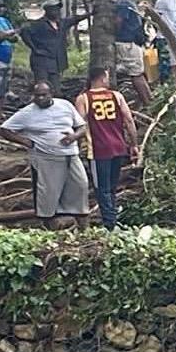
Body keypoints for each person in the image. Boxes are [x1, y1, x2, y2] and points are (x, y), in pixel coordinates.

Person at [0, 81, 90, 228]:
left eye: (44, 95)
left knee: (81, 185)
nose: (40, 98)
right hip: (46, 157)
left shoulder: (65, 105)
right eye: (37, 96)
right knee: (48, 192)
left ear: (51, 94)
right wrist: (25, 142)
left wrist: (74, 136)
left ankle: (84, 224)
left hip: (70, 155)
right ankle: (47, 225)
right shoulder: (27, 113)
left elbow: (82, 127)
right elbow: (4, 129)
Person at [73, 66, 139, 230]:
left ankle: (110, 223)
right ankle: (113, 218)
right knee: (111, 187)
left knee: (101, 188)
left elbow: (77, 125)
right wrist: (134, 144)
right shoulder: (117, 96)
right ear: (102, 79)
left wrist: (75, 144)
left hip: (98, 150)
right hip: (118, 147)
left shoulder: (84, 99)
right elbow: (129, 121)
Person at [21, 0, 91, 90]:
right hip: (41, 61)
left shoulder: (61, 23)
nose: (57, 12)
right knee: (42, 87)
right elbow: (24, 32)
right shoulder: (39, 24)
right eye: (54, 9)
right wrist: (34, 48)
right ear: (47, 11)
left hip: (55, 62)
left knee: (56, 89)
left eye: (58, 9)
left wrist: (90, 14)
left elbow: (74, 19)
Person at [113, 0, 154, 107]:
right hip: (127, 43)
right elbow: (118, 22)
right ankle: (148, 103)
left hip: (133, 42)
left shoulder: (131, 3)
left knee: (139, 73)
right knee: (136, 74)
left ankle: (150, 100)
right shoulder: (125, 4)